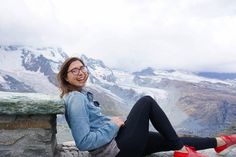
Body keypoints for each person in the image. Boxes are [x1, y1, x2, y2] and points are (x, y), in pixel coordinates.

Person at [57, 57, 236, 157]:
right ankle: (182, 151)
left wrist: (112, 122)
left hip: (119, 144)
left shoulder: (81, 96)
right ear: (65, 77)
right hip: (116, 151)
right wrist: (113, 125)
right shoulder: (75, 99)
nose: (80, 73)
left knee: (169, 138)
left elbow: (94, 125)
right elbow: (84, 142)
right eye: (74, 70)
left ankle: (219, 143)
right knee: (146, 101)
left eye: (82, 68)